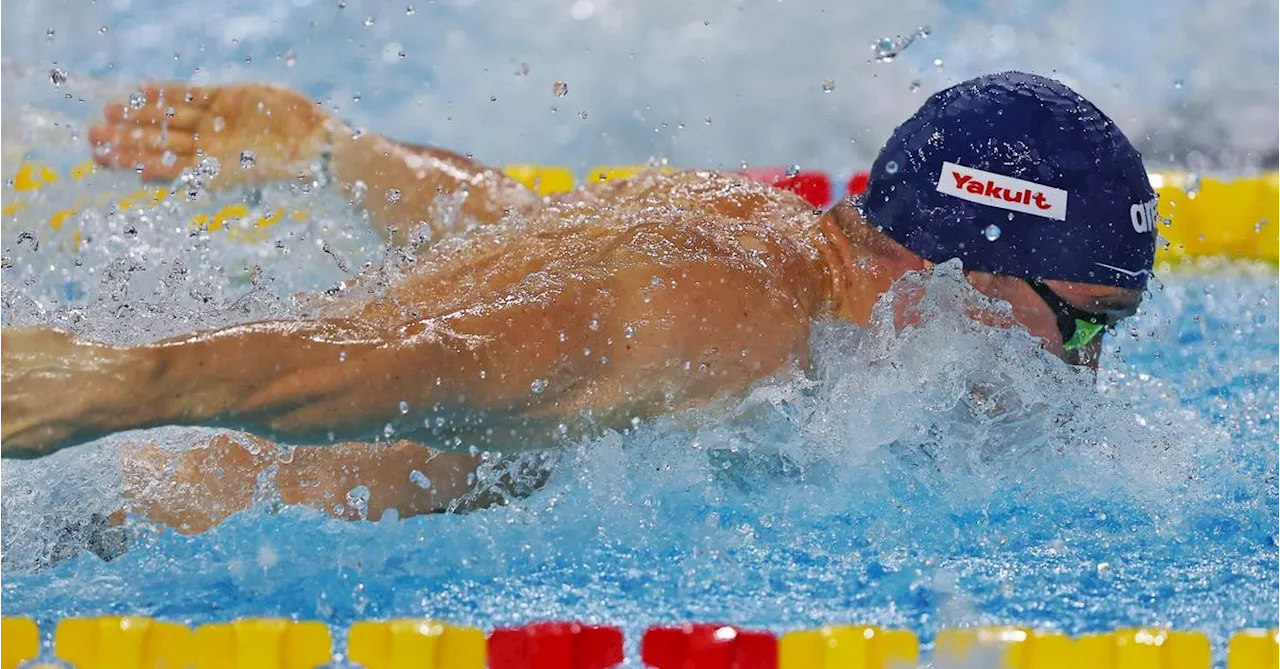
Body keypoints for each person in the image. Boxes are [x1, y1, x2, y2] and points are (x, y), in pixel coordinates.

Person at [0, 71, 1155, 545]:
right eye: (1086, 325)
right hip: (118, 536)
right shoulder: (733, 321)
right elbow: (408, 367)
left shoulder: (754, 238)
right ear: (970, 268)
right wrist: (119, 386)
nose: (1084, 370)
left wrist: (336, 154)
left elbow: (505, 231)